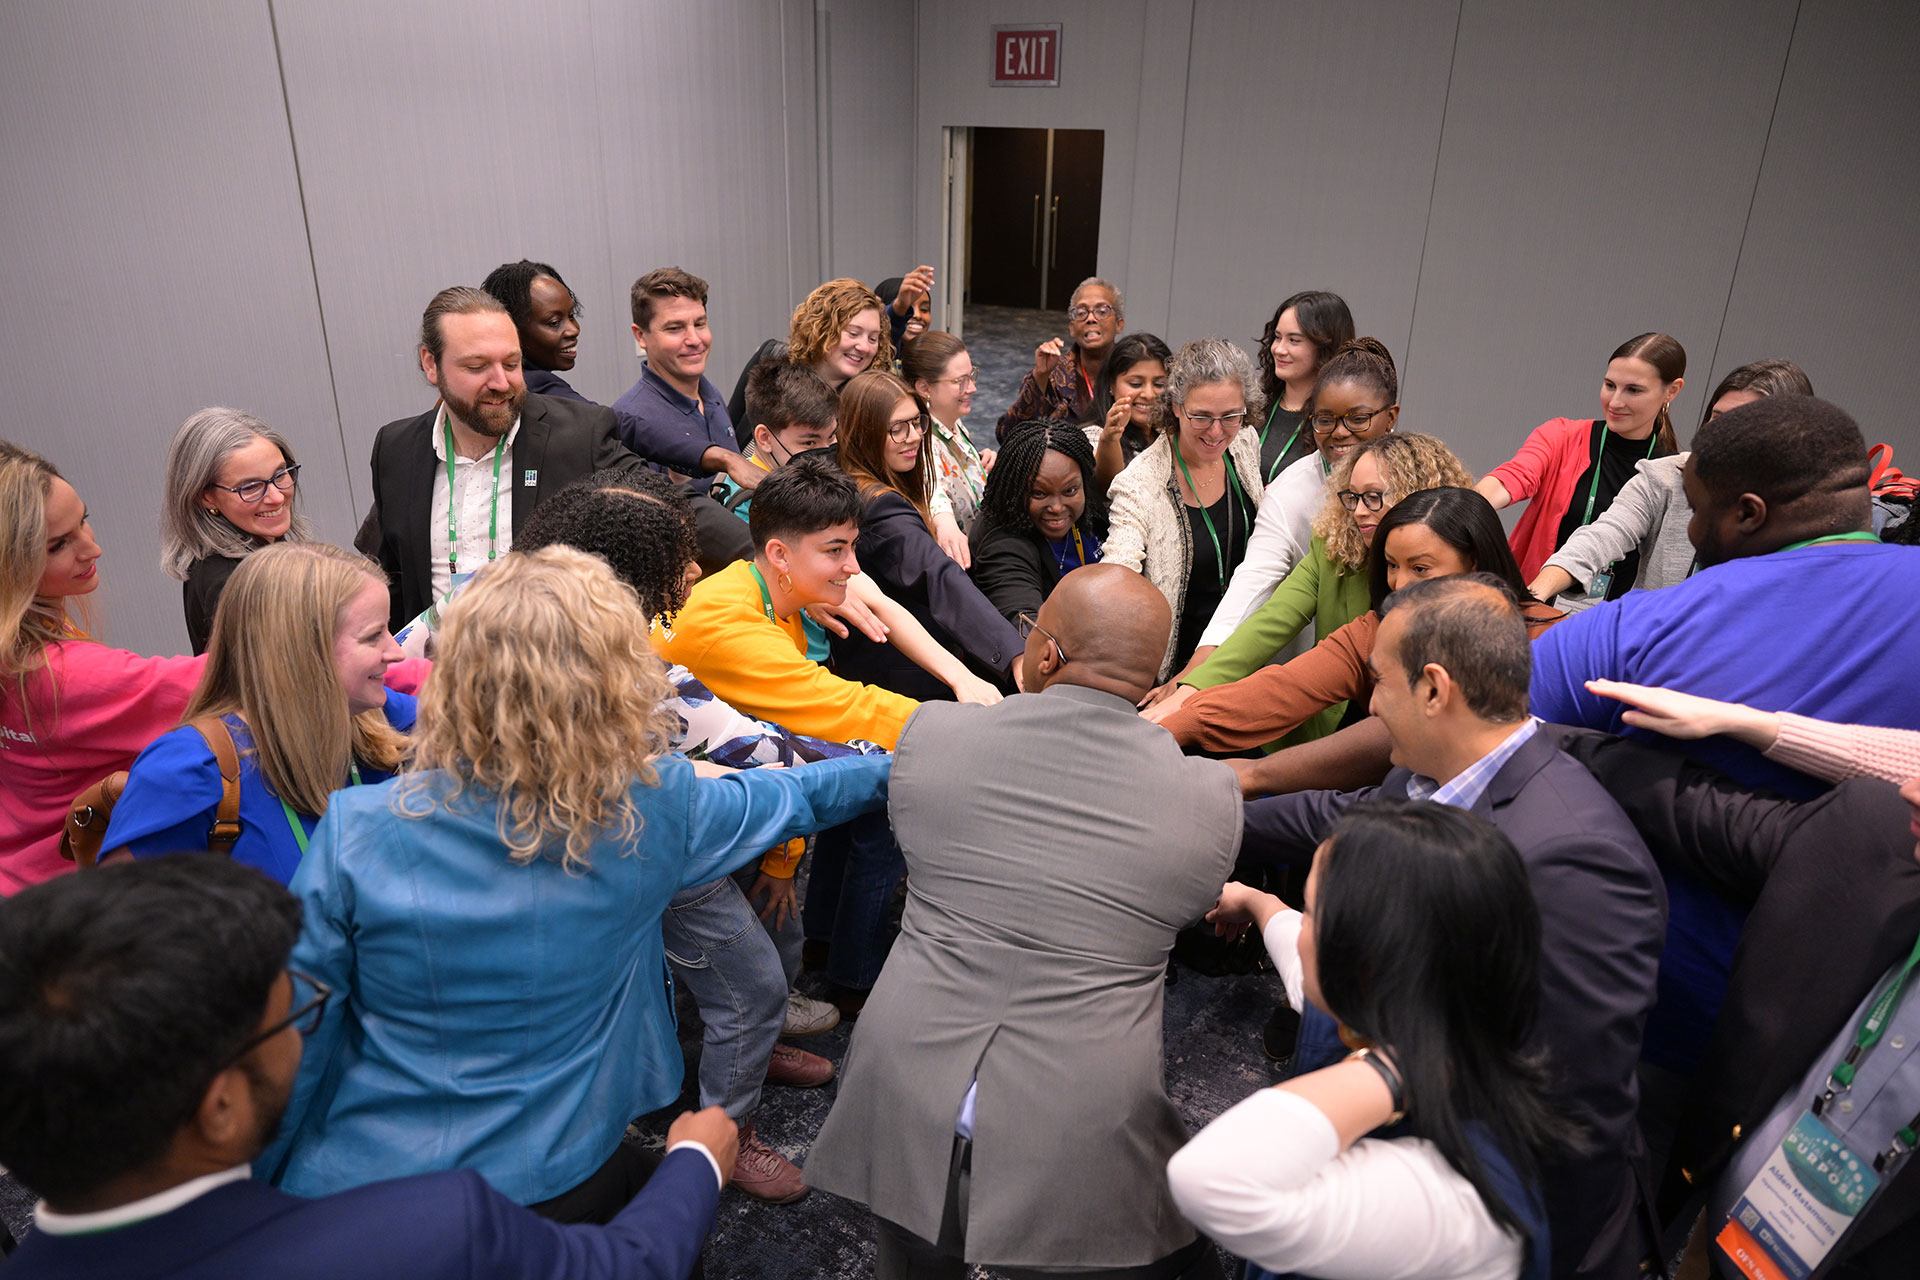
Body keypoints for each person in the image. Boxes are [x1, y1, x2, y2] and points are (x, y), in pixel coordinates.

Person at [256, 546, 891, 1216]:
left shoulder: (356, 828)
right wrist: (916, 753)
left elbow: (296, 1037)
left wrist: (259, 1196)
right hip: (566, 1167)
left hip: (375, 1185)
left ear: (456, 676)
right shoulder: (657, 806)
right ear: (615, 683)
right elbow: (802, 795)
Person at [0, 856, 733, 1280]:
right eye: (295, 1015)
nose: (307, 1030)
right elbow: (625, 1265)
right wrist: (696, 1160)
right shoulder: (433, 1232)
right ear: (217, 1107)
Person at [805, 564, 1239, 1280]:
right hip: (1080, 1121)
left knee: (911, 1263)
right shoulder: (1208, 797)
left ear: (1046, 654)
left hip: (910, 1075)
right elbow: (1185, 909)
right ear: (1151, 679)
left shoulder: (935, 735)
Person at [1241, 576, 1668, 1280]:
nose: (1371, 703)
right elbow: (1336, 822)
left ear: (1435, 689)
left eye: (1379, 682)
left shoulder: (1572, 863)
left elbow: (1569, 1110)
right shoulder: (1426, 778)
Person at [513, 467, 861, 1201]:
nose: (698, 570)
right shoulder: (640, 675)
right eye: (679, 559)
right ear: (628, 579)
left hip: (623, 832)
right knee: (755, 984)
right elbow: (779, 755)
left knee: (751, 961)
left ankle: (743, 1051)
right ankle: (724, 1135)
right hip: (644, 845)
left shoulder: (498, 615)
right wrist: (918, 752)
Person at [1548, 689, 1920, 1277]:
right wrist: (1522, 739)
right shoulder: (1870, 839)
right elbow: (1703, 811)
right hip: (1694, 1234)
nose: (1910, 787)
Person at [1170, 801, 1562, 1280]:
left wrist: (1396, 1067)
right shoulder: (1427, 1017)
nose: (1302, 931)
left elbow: (1208, 1179)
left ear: (1366, 966)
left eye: (1313, 912)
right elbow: (1300, 967)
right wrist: (1258, 903)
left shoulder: (1450, 1201)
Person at [656, 457, 992, 1012]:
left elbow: (778, 737)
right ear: (781, 555)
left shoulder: (764, 589)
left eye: (852, 547)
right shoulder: (729, 625)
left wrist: (784, 860)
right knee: (755, 986)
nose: (852, 567)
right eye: (836, 550)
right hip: (676, 836)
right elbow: (836, 711)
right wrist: (962, 729)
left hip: (720, 802)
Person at [1155, 487, 1561, 753]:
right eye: (1390, 566)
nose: (1400, 585)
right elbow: (1279, 690)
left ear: (1474, 562)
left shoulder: (1551, 640)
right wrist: (1167, 725)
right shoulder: (1377, 630)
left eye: (1420, 568)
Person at [102, 545, 412, 885]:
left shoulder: (379, 719)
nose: (395, 652)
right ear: (301, 650)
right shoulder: (186, 771)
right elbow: (122, 926)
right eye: (372, 637)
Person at [1148, 432, 1473, 745]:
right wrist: (1190, 693)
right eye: (1353, 496)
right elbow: (1270, 624)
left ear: (1418, 497)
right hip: (1336, 723)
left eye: (1374, 497)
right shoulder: (1334, 548)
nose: (1359, 511)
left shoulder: (1466, 588)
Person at [360, 285, 632, 632]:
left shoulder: (580, 436)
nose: (501, 382)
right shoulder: (396, 449)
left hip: (553, 671)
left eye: (512, 363)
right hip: (439, 674)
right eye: (477, 367)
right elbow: (392, 579)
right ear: (431, 365)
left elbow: (662, 501)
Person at [1, 442, 203, 894]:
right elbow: (246, 676)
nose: (93, 548)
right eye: (59, 544)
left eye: (83, 520)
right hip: (69, 911)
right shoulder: (68, 676)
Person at [1187, 337, 1403, 675]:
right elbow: (1256, 581)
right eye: (1325, 420)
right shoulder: (1294, 490)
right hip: (1323, 667)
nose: (1340, 433)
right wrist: (1198, 670)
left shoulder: (1424, 480)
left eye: (1358, 419)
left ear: (1391, 417)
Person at [1529, 359, 1813, 606]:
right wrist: (1536, 594)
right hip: (1649, 646)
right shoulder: (1666, 476)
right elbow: (1602, 535)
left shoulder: (1806, 511)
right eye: (1718, 417)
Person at [833, 369, 1023, 700]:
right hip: (904, 680)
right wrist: (1013, 653)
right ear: (864, 433)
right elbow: (938, 575)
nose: (913, 436)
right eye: (897, 428)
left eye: (917, 422)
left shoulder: (851, 478)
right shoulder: (880, 507)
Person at [1103, 337, 1267, 683]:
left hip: (1244, 651)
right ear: (1176, 406)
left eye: (1230, 416)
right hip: (1176, 671)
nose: (1217, 432)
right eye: (1202, 417)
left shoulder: (1244, 443)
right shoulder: (1140, 485)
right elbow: (1119, 572)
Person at [1477, 333, 1686, 585]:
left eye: (1633, 390)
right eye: (1610, 385)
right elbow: (1515, 476)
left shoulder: (1673, 474)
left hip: (1617, 617)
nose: (1615, 402)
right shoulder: (1562, 436)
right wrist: (1471, 503)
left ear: (1671, 391)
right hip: (1535, 603)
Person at [161, 407, 311, 654]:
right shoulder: (236, 584)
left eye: (280, 475)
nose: (276, 497)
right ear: (206, 497)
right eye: (250, 487)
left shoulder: (259, 557)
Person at [610, 267, 762, 493]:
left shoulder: (711, 395)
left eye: (700, 324)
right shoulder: (630, 419)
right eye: (675, 328)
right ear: (640, 336)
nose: (694, 339)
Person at [724, 271, 927, 439]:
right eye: (853, 333)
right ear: (823, 328)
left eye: (873, 339)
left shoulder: (859, 401)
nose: (864, 347)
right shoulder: (771, 358)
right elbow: (729, 429)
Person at [967, 420, 1107, 625]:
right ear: (1015, 488)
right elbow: (1025, 622)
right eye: (1039, 493)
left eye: (1069, 491)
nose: (1058, 507)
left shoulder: (1084, 503)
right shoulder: (1001, 545)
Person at [901, 330, 996, 557]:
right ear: (925, 388)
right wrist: (945, 524)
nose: (972, 387)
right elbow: (932, 488)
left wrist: (978, 466)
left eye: (971, 375)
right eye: (960, 381)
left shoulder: (953, 421)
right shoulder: (920, 441)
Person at [995, 277, 1124, 440]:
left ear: (1119, 324)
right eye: (1082, 312)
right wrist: (1040, 376)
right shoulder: (1054, 374)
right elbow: (1008, 435)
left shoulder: (1131, 371)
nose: (1091, 318)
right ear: (1072, 328)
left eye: (1102, 311)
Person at [1252, 290, 1356, 483]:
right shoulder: (1254, 403)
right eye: (1277, 337)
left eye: (1294, 340)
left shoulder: (1338, 425)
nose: (1279, 349)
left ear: (1326, 348)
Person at [480, 258, 585, 401]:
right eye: (554, 323)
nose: (574, 330)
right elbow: (606, 421)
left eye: (571, 315)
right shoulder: (536, 385)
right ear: (513, 330)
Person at [1085, 331, 1172, 491]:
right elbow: (1108, 487)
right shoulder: (1093, 435)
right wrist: (1110, 438)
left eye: (1159, 384)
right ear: (1111, 385)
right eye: (1136, 384)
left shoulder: (1171, 433)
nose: (1148, 394)